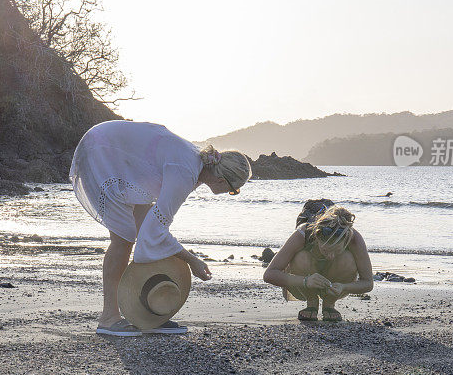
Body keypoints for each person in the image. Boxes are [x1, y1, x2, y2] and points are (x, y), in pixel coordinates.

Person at [69, 120, 252, 336]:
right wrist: (191, 260)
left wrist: (174, 250)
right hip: (102, 153)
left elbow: (153, 229)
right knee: (124, 239)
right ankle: (109, 317)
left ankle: (148, 311)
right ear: (222, 181)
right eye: (234, 191)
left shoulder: (194, 165)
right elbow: (156, 233)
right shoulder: (185, 172)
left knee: (143, 230)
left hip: (121, 158)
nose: (232, 193)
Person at [263, 205, 373, 322]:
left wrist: (344, 287)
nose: (331, 256)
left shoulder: (354, 238)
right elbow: (269, 274)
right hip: (303, 285)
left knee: (348, 259)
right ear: (316, 238)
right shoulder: (303, 234)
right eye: (325, 250)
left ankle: (329, 304)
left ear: (346, 241)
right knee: (301, 257)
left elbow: (368, 283)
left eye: (337, 251)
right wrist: (305, 281)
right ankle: (311, 302)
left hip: (336, 284)